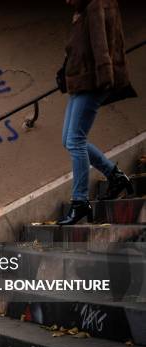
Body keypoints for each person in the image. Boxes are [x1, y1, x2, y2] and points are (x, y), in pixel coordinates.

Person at [56, 0, 137, 225]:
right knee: (68, 139)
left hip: (92, 82)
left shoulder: (96, 4)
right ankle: (115, 176)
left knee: (75, 140)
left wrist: (105, 80)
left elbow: (101, 45)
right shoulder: (84, 9)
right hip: (81, 82)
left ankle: (80, 202)